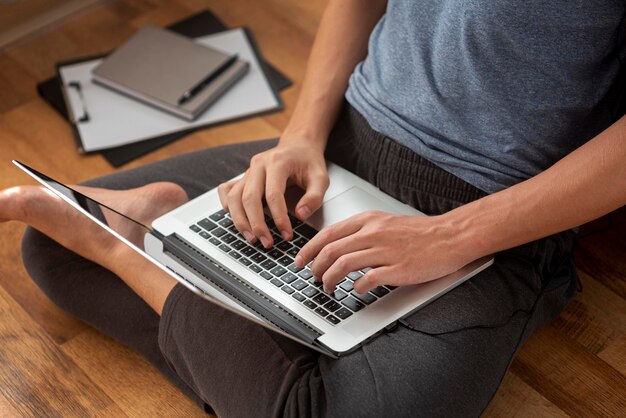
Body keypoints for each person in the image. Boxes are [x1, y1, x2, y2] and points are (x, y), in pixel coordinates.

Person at [2, 0, 626, 416]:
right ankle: (243, 322)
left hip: (492, 208)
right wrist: (300, 136)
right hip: (342, 142)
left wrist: (455, 235)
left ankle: (137, 249)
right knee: (53, 253)